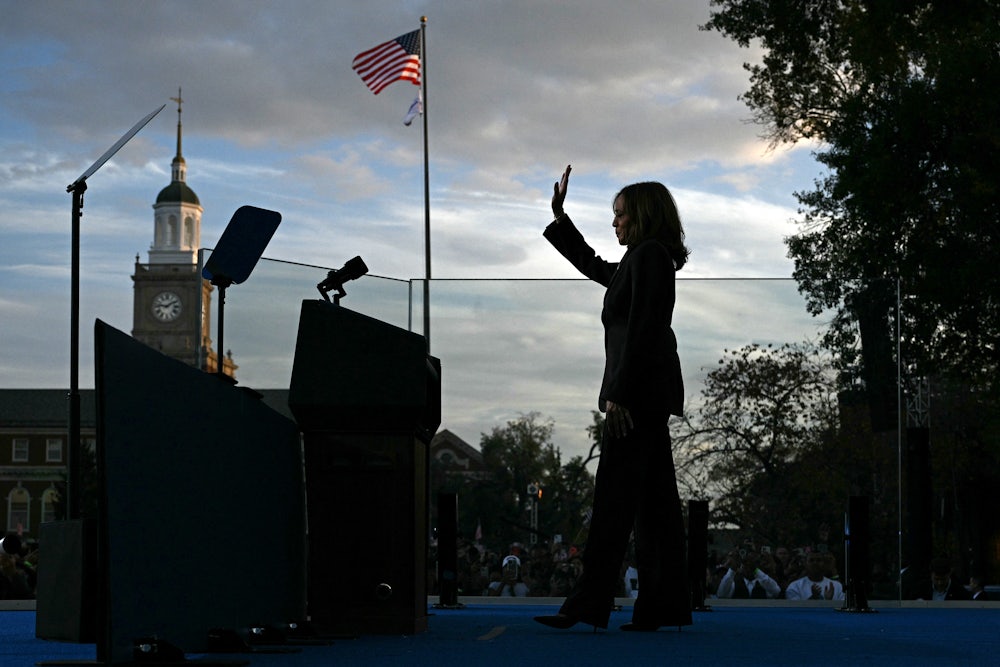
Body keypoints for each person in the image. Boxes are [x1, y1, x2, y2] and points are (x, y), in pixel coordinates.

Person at [534, 165, 692, 632]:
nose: (615, 222)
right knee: (654, 506)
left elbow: (644, 328)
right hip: (646, 395)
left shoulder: (649, 257)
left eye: (620, 214)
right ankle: (661, 606)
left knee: (613, 504)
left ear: (641, 216)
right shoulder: (645, 258)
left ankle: (590, 602)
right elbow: (596, 267)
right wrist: (561, 219)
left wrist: (617, 395)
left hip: (636, 398)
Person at [716, 550, 780, 599]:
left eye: (750, 565)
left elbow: (776, 591)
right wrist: (732, 569)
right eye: (745, 566)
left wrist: (755, 570)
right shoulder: (734, 583)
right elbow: (721, 594)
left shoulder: (763, 583)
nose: (747, 568)